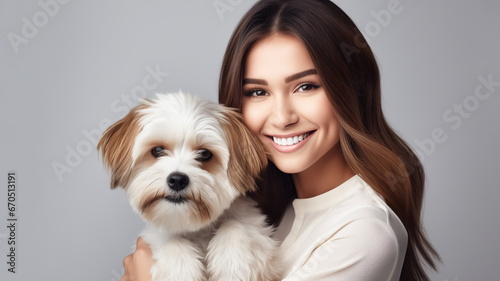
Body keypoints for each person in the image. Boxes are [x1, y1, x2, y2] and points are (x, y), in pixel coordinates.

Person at [120, 0, 440, 280]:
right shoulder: (271, 206)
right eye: (258, 92)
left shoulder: (365, 232)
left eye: (306, 86)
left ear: (352, 88)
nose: (282, 117)